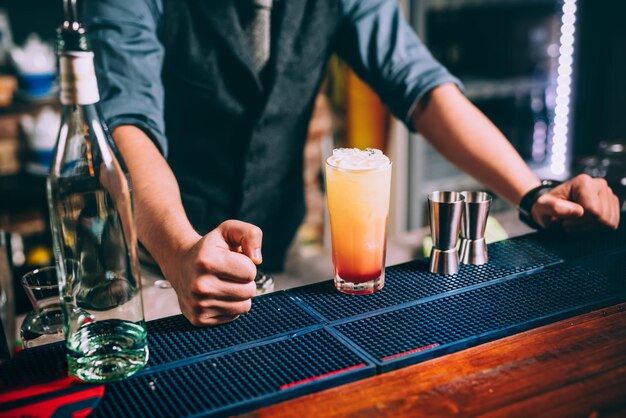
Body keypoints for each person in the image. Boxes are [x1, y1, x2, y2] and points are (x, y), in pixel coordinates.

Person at [82, 0, 621, 326]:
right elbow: (125, 121)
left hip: (272, 244)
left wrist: (532, 194)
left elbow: (421, 85)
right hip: (151, 261)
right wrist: (178, 249)